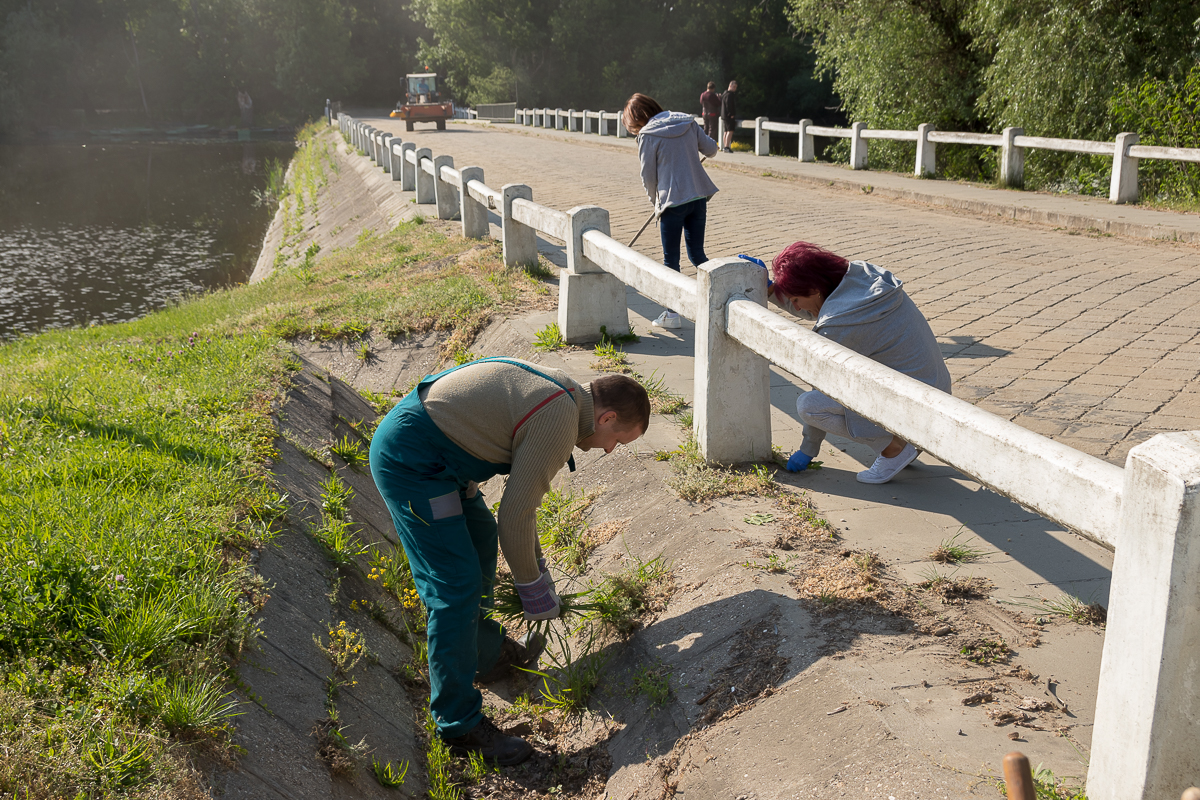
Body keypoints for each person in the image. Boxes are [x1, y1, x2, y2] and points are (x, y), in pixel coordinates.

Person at [369, 358, 650, 765]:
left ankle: (484, 655)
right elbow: (515, 515)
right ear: (606, 418)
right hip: (415, 463)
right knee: (455, 585)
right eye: (617, 440)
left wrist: (537, 567)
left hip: (441, 458)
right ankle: (458, 724)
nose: (609, 449)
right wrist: (534, 590)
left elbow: (520, 510)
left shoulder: (566, 395)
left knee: (480, 536)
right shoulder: (560, 419)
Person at [767, 242, 951, 484]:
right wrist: (772, 291)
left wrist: (808, 448)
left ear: (814, 289)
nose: (797, 307)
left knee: (810, 406)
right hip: (936, 389)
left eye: (795, 299)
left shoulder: (840, 325)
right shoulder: (864, 279)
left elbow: (822, 383)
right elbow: (821, 309)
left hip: (916, 408)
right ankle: (907, 441)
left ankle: (894, 448)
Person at [622, 92, 719, 330]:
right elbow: (711, 150)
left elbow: (648, 177)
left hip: (672, 204)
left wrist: (655, 202)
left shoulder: (647, 135)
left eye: (633, 127)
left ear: (637, 119)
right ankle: (720, 298)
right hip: (698, 197)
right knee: (697, 255)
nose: (635, 131)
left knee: (671, 261)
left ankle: (672, 314)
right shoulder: (687, 121)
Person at [720, 80, 738, 153]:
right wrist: (731, 114)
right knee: (730, 131)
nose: (735, 88)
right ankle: (727, 147)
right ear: (730, 86)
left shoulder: (724, 94)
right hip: (729, 116)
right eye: (734, 86)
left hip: (724, 115)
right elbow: (729, 105)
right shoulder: (730, 95)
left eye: (735, 87)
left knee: (726, 131)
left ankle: (725, 146)